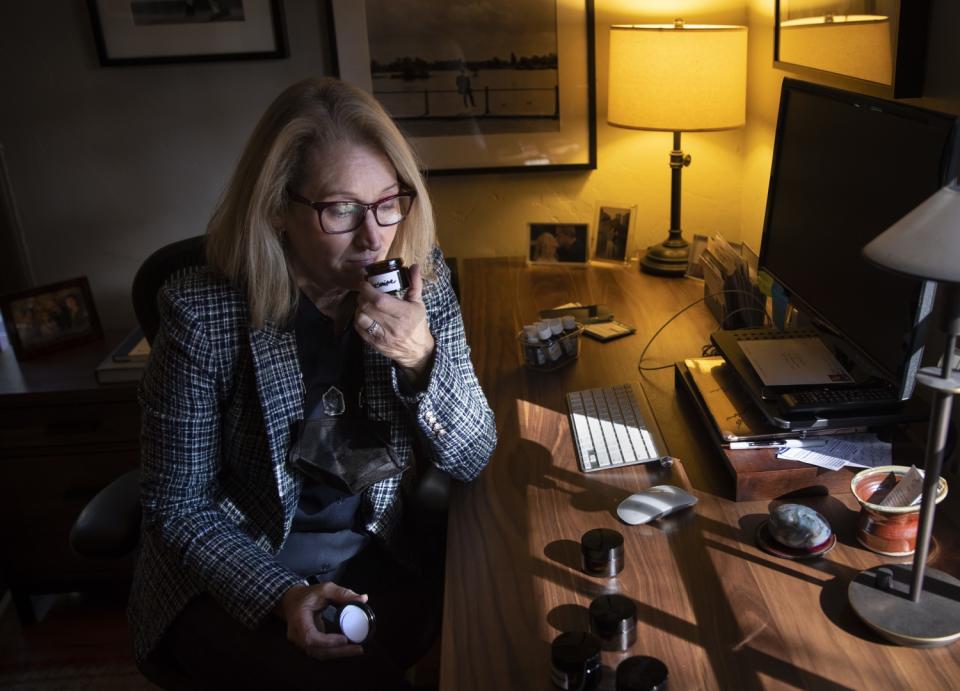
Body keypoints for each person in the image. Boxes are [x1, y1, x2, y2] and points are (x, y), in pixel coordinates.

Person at [128, 77, 497, 690]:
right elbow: (178, 506)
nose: (374, 236)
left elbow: (474, 453)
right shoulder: (203, 313)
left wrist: (420, 356)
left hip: (372, 552)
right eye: (341, 209)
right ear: (278, 207)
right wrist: (280, 595)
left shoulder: (420, 282)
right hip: (236, 565)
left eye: (387, 202)